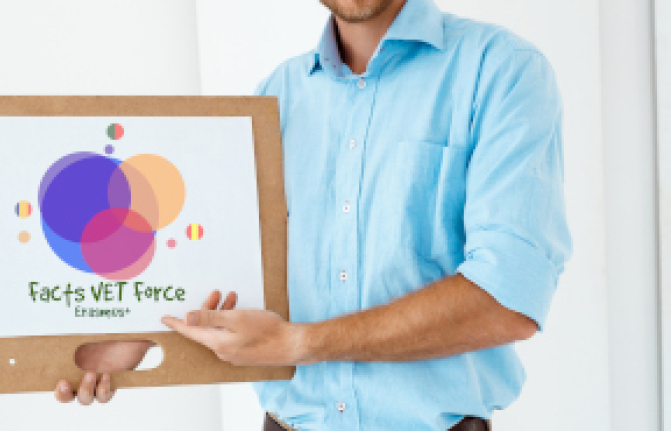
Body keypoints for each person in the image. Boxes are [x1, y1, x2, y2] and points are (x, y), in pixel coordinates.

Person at [55, 0, 571, 429]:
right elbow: (222, 263)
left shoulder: (500, 71)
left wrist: (300, 343)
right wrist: (137, 335)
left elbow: (508, 296)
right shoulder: (273, 96)